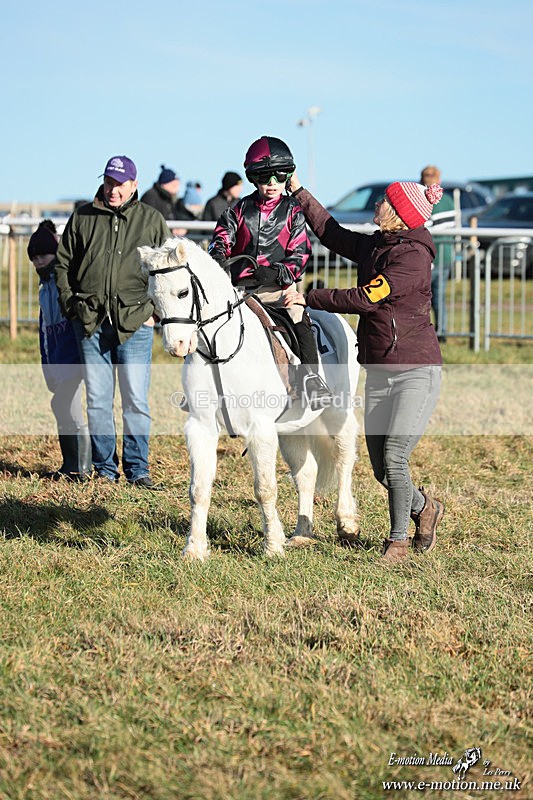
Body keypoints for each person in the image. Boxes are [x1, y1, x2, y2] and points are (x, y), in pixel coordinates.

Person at [286, 173, 445, 561]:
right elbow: (332, 234)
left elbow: (367, 297)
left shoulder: (412, 257)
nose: (377, 204)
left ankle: (398, 541)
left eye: (384, 201)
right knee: (381, 470)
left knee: (395, 457)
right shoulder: (378, 244)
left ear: (399, 214)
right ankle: (425, 508)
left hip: (416, 371)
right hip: (379, 368)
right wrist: (299, 192)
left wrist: (311, 298)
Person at [55, 155, 170, 489]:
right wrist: (71, 305)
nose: (113, 190)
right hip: (90, 322)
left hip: (135, 322)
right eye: (108, 183)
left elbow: (167, 269)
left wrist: (155, 312)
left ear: (134, 185)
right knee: (98, 400)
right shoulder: (82, 217)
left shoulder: (151, 219)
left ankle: (137, 470)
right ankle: (105, 470)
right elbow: (63, 264)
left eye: (120, 184)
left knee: (136, 400)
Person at [207, 136, 332, 408]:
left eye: (280, 176)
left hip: (279, 289)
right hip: (241, 291)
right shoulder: (238, 210)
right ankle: (203, 383)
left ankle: (312, 380)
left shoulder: (294, 211)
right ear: (253, 178)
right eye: (265, 177)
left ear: (288, 176)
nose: (272, 183)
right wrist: (218, 256)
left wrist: (275, 273)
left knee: (297, 314)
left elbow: (300, 253)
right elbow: (220, 239)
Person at [27, 220, 91, 481]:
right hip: (58, 359)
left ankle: (82, 467)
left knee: (65, 406)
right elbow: (45, 330)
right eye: (34, 259)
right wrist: (47, 364)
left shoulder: (65, 282)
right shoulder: (44, 289)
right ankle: (71, 465)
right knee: (64, 407)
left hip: (73, 357)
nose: (38, 262)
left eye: (42, 256)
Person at [420, 165, 455, 342]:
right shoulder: (448, 200)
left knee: (422, 297)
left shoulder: (425, 199)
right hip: (446, 254)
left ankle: (423, 331)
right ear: (439, 180)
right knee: (439, 297)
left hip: (429, 256)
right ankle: (442, 332)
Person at [140, 164, 195, 235]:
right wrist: (172, 231)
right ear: (164, 184)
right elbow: (149, 222)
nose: (177, 189)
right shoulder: (150, 197)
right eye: (174, 185)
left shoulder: (170, 198)